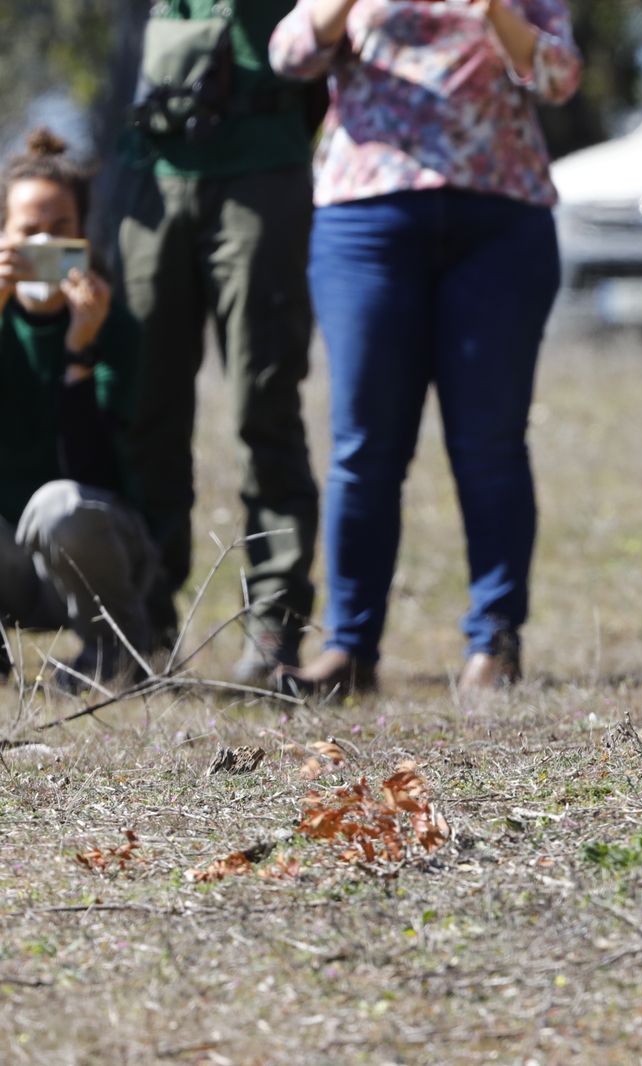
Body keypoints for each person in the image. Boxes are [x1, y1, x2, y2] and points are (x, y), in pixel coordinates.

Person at [268, 0, 581, 696]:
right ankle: (351, 649)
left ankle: (495, 643)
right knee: (364, 444)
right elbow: (289, 53)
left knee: (492, 442)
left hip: (501, 215)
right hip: (367, 219)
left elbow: (559, 77)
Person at [118, 0, 322, 684]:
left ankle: (274, 620)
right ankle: (142, 617)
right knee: (145, 398)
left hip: (260, 167)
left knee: (262, 400)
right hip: (153, 166)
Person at [0, 131, 156, 688]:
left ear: (83, 236)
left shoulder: (115, 326)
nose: (44, 242)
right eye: (28, 232)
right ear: (3, 236)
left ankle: (115, 651)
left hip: (95, 548)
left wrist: (79, 350)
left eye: (59, 230)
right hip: (12, 565)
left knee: (58, 505)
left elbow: (95, 469)